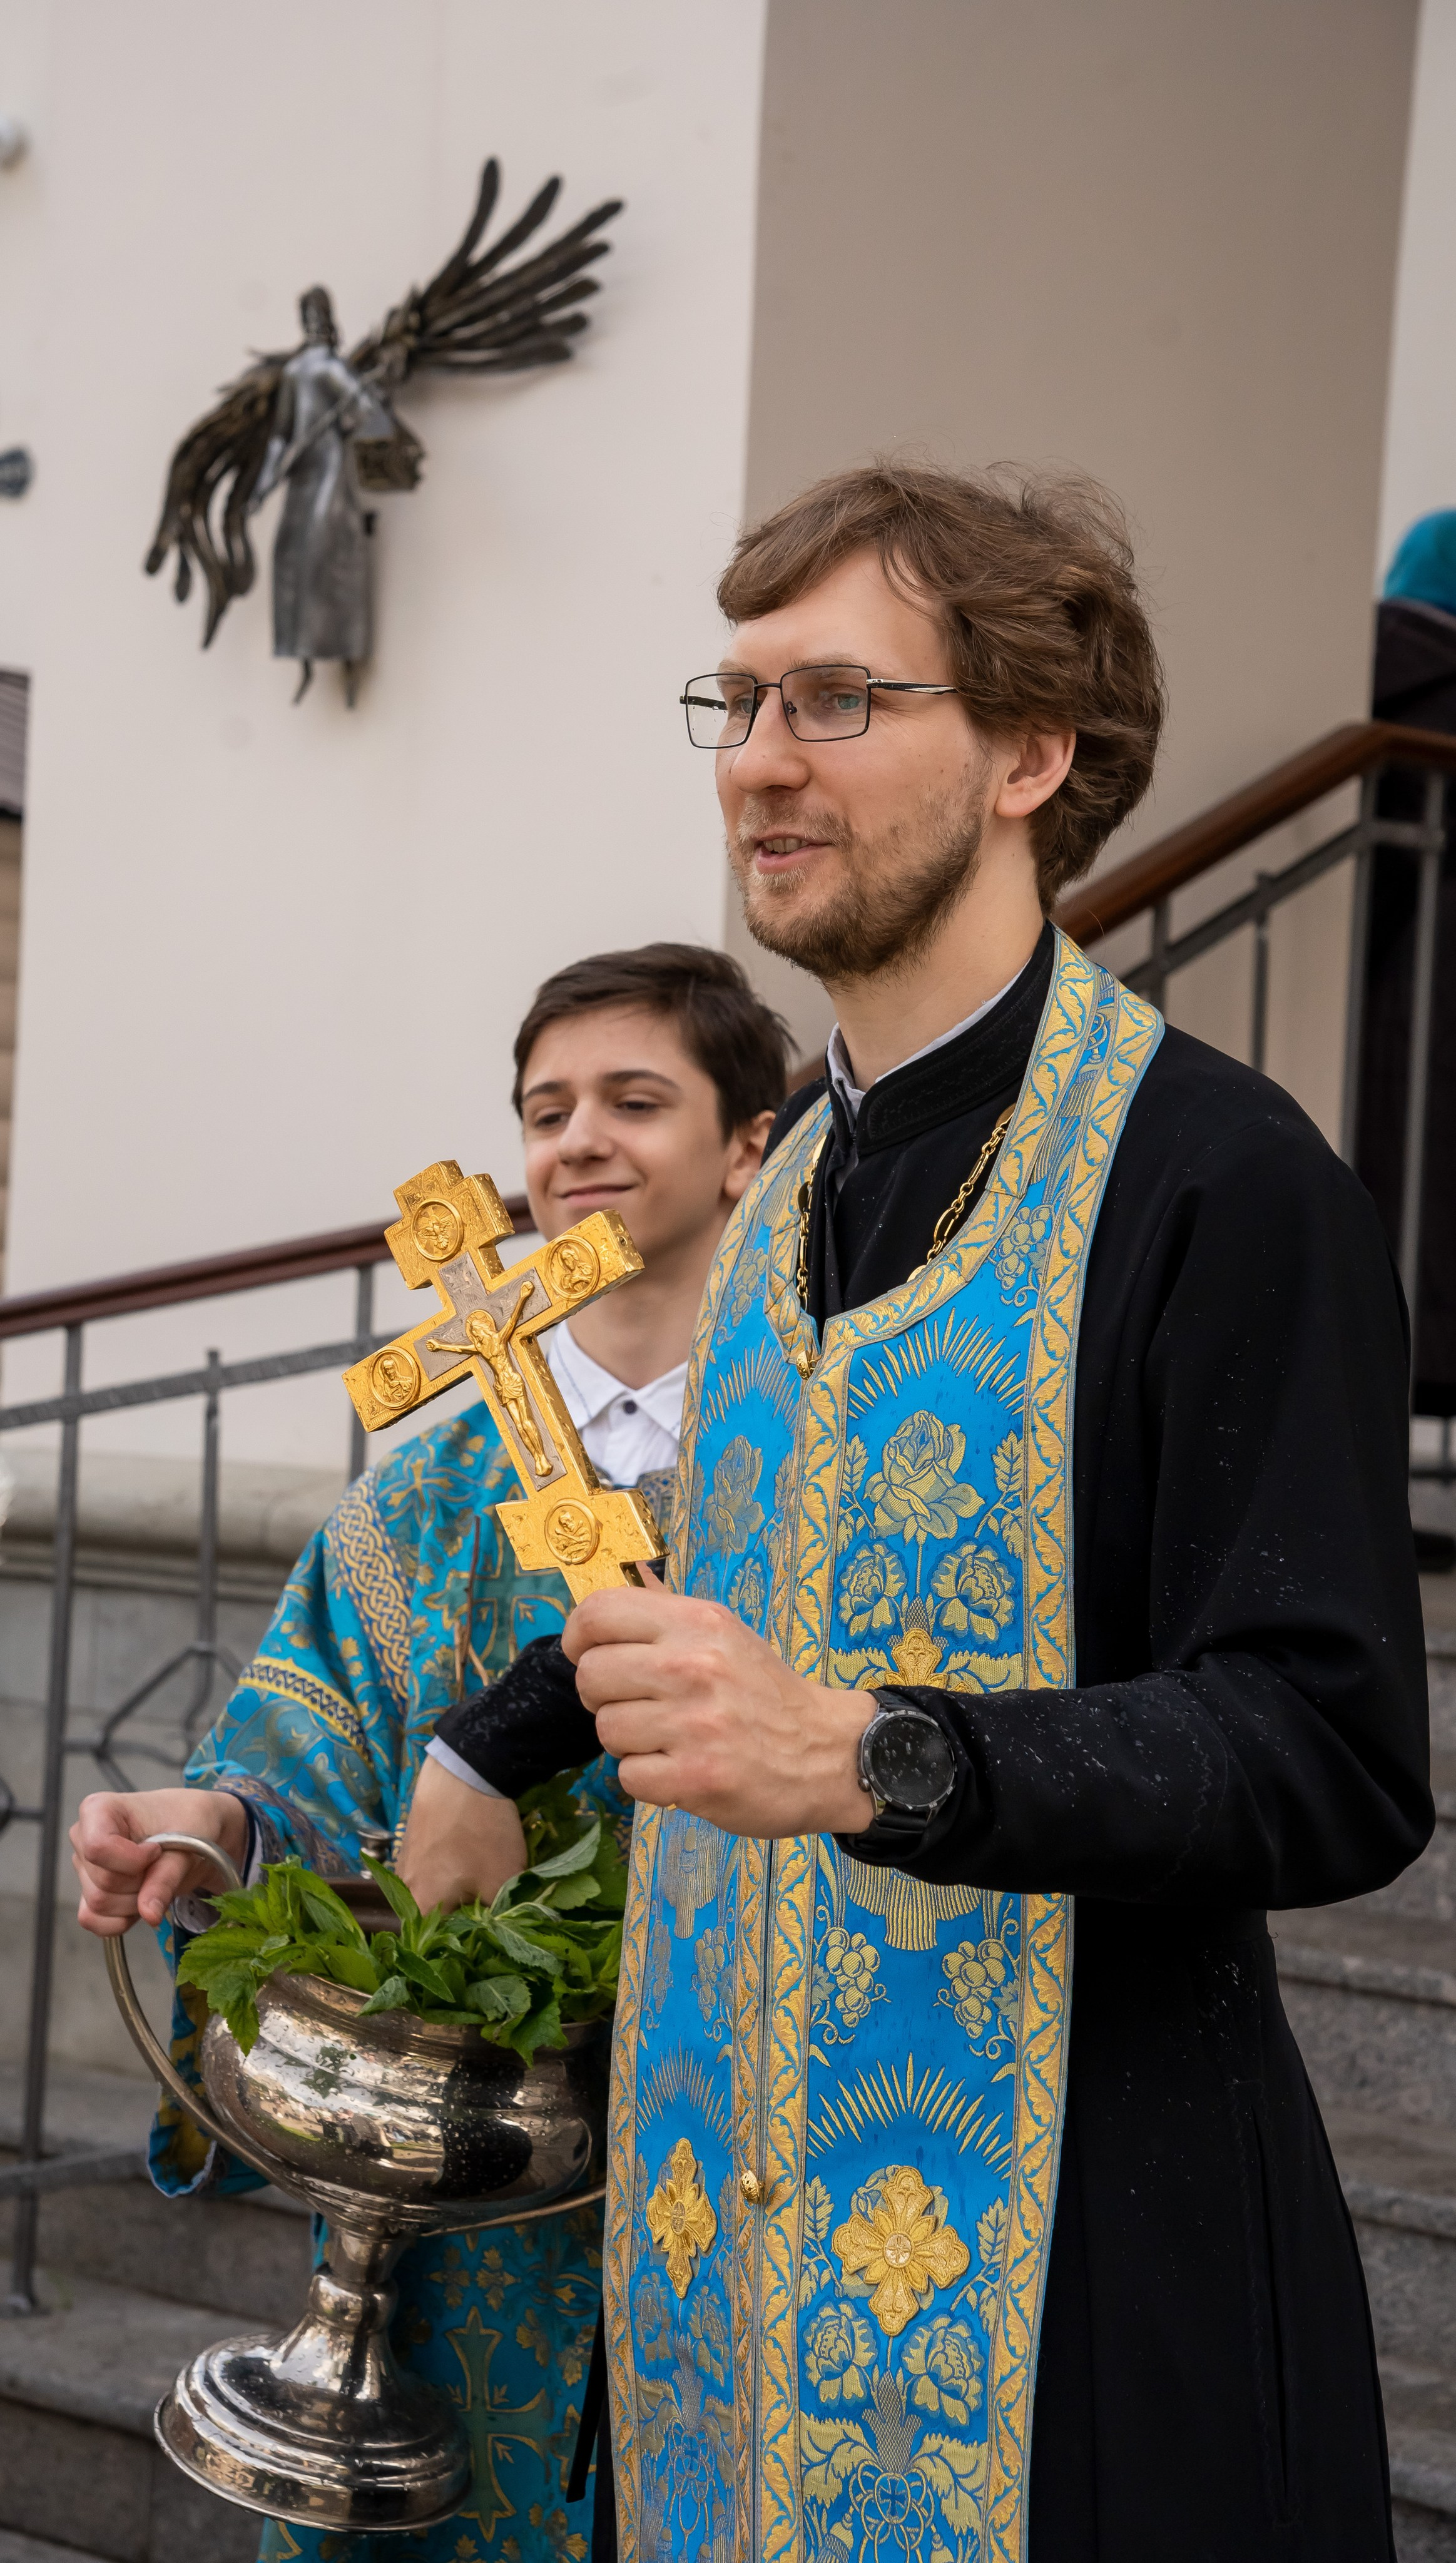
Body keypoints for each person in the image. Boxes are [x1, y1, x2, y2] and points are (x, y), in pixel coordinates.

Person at [420, 463, 1432, 2562]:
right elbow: (730, 1577)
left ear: (1031, 754)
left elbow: (1329, 1749)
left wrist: (875, 1756)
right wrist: (488, 1742)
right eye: (740, 704)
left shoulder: (1227, 1183)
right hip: (716, 2296)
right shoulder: (793, 1175)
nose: (761, 763)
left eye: (838, 701)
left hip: (1076, 2306)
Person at [69, 942, 790, 2563]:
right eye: (546, 1110)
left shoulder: (818, 1472)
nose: (578, 1140)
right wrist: (208, 1830)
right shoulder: (425, 1495)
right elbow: (306, 1766)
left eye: (634, 1101)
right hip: (473, 2187)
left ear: (749, 1145)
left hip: (744, 2160)